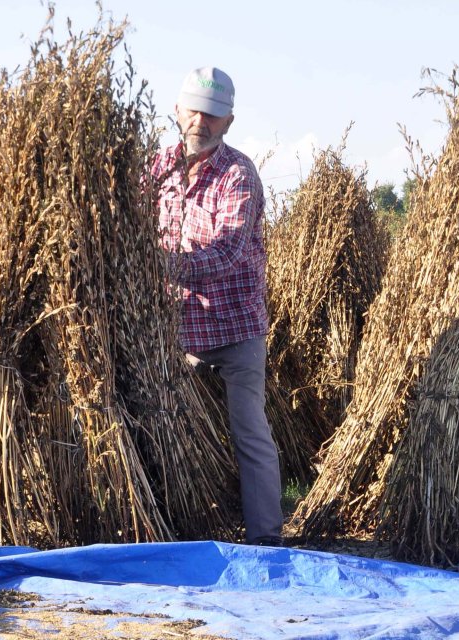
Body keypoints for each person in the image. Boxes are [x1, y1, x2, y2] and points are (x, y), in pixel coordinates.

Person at [150, 67, 283, 547]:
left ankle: (268, 544)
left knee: (250, 435)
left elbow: (226, 253)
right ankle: (176, 531)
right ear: (178, 109)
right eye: (193, 111)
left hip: (235, 327)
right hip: (174, 330)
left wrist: (155, 265)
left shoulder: (237, 173)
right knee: (160, 426)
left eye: (212, 115)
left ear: (228, 122)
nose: (200, 122)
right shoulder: (156, 168)